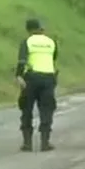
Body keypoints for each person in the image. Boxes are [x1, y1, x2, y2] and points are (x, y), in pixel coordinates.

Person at [16, 18, 58, 152]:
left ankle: (27, 143)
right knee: (46, 110)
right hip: (48, 78)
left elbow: (22, 61)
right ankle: (45, 142)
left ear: (28, 30)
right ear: (41, 29)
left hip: (31, 79)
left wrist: (18, 76)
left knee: (26, 109)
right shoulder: (51, 42)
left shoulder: (27, 42)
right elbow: (53, 58)